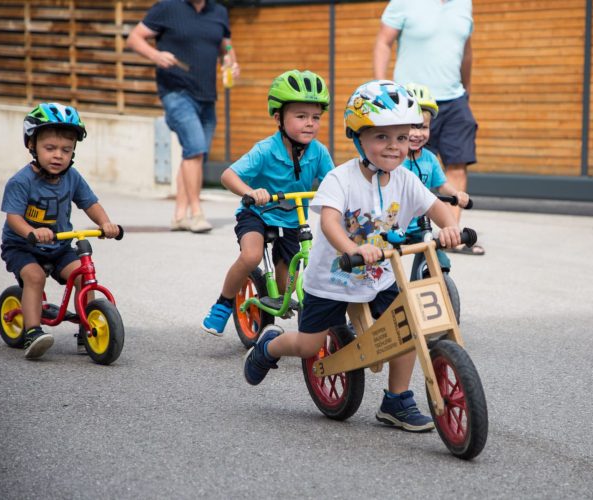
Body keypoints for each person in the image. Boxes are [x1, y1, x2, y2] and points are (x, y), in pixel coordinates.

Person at [242, 80, 462, 432]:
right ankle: (269, 346)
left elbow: (436, 207)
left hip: (380, 277)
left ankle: (396, 400)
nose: (394, 147)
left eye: (402, 138)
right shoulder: (339, 178)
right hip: (332, 280)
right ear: (358, 137)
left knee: (409, 324)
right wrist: (352, 248)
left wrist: (449, 226)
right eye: (382, 138)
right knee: (308, 344)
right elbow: (329, 222)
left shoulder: (405, 179)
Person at [201, 70, 334, 336]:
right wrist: (251, 192)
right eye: (301, 116)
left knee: (288, 284)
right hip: (258, 213)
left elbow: (333, 181)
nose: (310, 123)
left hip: (293, 218)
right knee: (251, 256)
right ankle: (224, 304)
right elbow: (229, 175)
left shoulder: (319, 152)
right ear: (278, 118)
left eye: (315, 117)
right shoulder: (265, 149)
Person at [0, 103, 120, 359]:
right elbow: (13, 218)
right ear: (32, 146)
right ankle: (32, 332)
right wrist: (31, 232)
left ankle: (86, 332)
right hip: (23, 245)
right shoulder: (21, 181)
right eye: (50, 148)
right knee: (34, 277)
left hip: (59, 245)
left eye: (66, 150)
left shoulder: (72, 177)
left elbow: (90, 203)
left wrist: (105, 224)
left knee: (82, 277)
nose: (58, 156)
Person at [373, 0, 484, 255]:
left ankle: (451, 234)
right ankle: (394, 226)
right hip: (409, 99)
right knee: (400, 162)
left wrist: (466, 91)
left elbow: (466, 51)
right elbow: (383, 41)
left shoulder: (464, 4)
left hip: (454, 97)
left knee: (458, 163)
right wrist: (382, 88)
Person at [127, 0, 239, 233]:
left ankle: (179, 216)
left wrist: (230, 59)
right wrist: (155, 55)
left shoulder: (219, 12)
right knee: (195, 148)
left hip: (207, 94)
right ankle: (196, 214)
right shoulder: (167, 8)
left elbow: (226, 45)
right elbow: (135, 37)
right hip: (175, 92)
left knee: (194, 154)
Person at [403, 82, 470, 279]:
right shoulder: (393, 158)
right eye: (411, 127)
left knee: (437, 259)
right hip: (393, 224)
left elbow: (441, 184)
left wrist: (456, 194)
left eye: (423, 127)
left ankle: (422, 283)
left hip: (419, 225)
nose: (417, 133)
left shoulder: (430, 159)